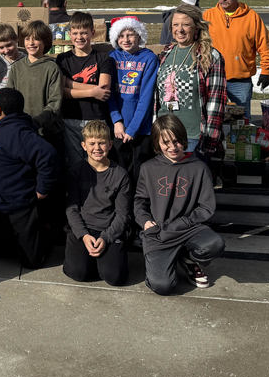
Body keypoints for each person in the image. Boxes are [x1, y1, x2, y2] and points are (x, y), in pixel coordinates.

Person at [135, 116, 225, 295]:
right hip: (159, 233)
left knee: (215, 244)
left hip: (188, 229)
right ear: (157, 143)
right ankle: (167, 262)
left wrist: (183, 223)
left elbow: (206, 207)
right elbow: (140, 201)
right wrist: (145, 221)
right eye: (165, 142)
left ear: (183, 139)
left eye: (176, 141)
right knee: (163, 286)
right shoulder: (148, 168)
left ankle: (188, 259)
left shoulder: (199, 168)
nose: (172, 147)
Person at [0, 88, 57, 268]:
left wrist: (42, 189)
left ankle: (44, 234)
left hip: (19, 207)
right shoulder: (2, 127)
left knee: (32, 261)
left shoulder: (18, 132)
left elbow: (48, 155)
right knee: (0, 253)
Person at [62, 121, 130, 286]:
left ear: (110, 145)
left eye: (102, 143)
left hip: (108, 228)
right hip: (84, 228)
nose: (97, 148)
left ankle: (108, 259)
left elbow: (122, 214)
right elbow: (72, 209)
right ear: (84, 146)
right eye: (92, 143)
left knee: (114, 277)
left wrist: (106, 238)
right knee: (78, 272)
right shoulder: (76, 171)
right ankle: (88, 259)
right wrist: (84, 235)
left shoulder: (120, 174)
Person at [156, 3, 226, 157]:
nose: (180, 29)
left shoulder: (210, 56)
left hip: (192, 138)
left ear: (196, 27)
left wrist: (210, 141)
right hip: (164, 136)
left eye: (186, 25)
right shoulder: (166, 54)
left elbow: (216, 102)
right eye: (175, 25)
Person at [202, 0, 269, 120]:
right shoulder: (208, 16)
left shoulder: (251, 17)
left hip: (240, 81)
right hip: (213, 78)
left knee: (242, 120)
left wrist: (266, 71)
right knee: (213, 118)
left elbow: (265, 46)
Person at [56, 11, 114, 169]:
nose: (79, 37)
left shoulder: (103, 58)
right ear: (69, 34)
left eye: (84, 33)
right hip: (71, 118)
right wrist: (92, 92)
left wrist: (70, 83)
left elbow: (104, 90)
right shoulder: (63, 59)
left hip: (96, 118)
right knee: (74, 164)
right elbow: (62, 91)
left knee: (98, 162)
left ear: (92, 33)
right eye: (75, 33)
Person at [106, 16, 158, 184]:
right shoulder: (112, 57)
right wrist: (116, 120)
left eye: (130, 35)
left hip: (141, 129)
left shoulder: (149, 58)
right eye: (121, 36)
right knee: (119, 174)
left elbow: (146, 97)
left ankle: (140, 202)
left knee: (139, 174)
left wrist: (133, 128)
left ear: (139, 35)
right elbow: (109, 94)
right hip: (118, 129)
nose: (126, 40)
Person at [5, 20, 62, 138]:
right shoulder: (16, 67)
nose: (31, 43)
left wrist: (37, 122)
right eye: (27, 39)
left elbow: (55, 103)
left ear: (45, 41)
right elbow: (10, 98)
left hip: (46, 132)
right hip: (21, 129)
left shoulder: (52, 68)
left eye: (36, 39)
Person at [0, 23, 25, 88]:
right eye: (1, 47)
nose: (6, 51)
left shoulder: (27, 60)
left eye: (9, 45)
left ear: (16, 40)